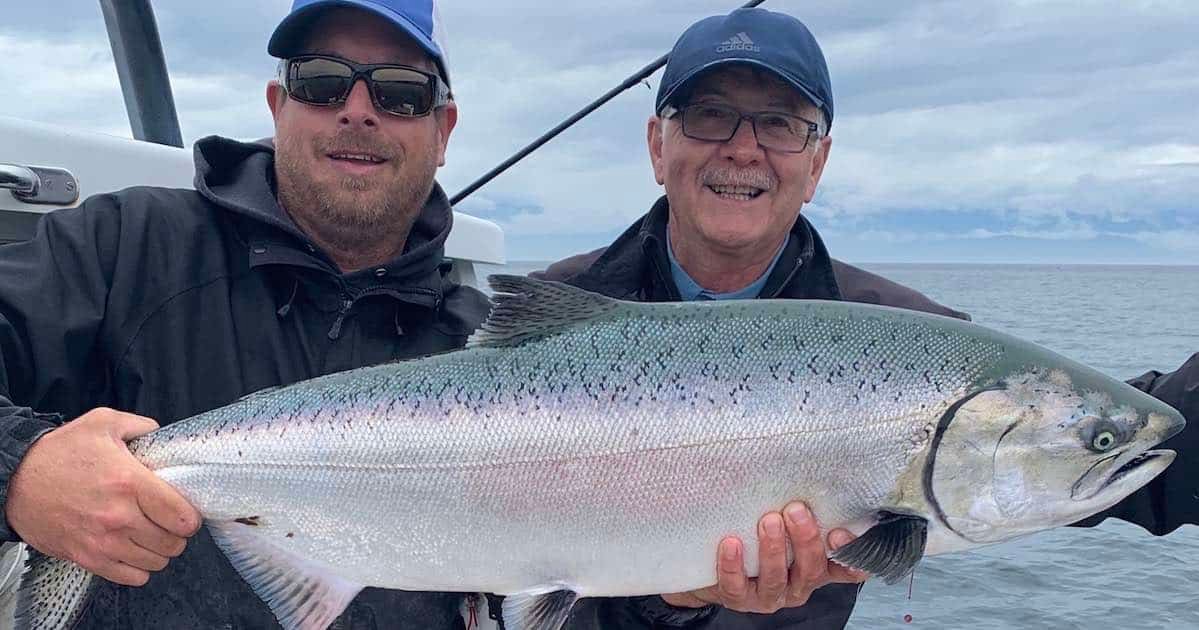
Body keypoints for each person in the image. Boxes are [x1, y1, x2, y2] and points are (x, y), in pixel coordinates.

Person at [533, 7, 1199, 628]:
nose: (742, 149)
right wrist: (665, 603)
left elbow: (1126, 463)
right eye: (710, 115)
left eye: (780, 124)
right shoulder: (542, 319)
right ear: (657, 146)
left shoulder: (916, 340)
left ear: (816, 162)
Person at [0, 1, 487, 627]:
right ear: (277, 106)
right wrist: (20, 469)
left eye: (401, 92)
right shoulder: (125, 246)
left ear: (443, 131)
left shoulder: (489, 341)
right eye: (320, 80)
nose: (358, 109)